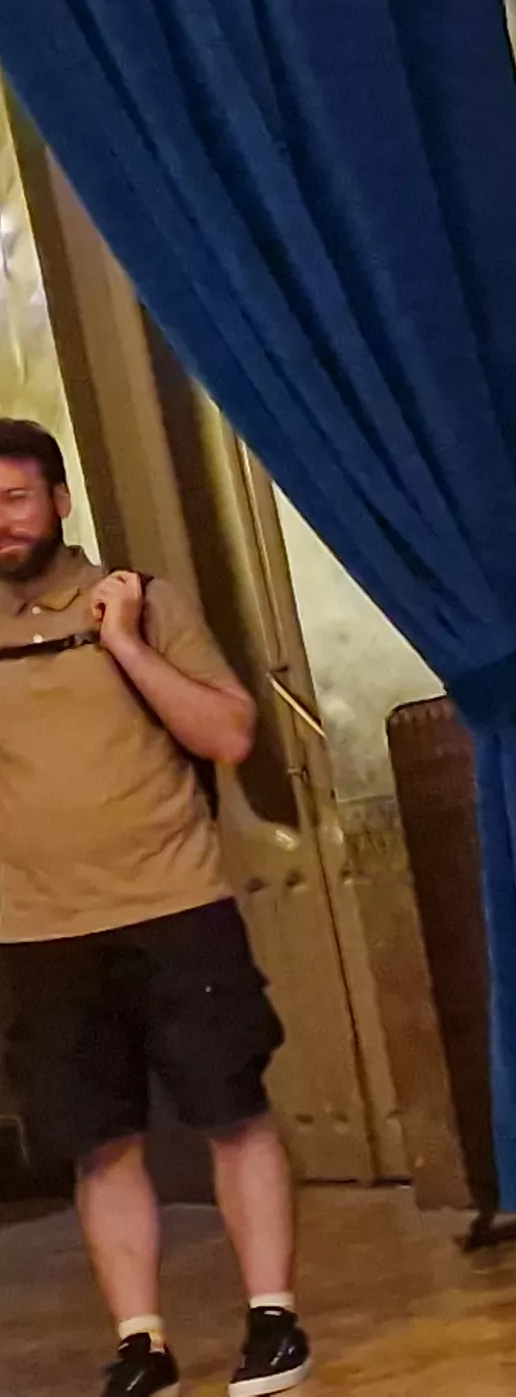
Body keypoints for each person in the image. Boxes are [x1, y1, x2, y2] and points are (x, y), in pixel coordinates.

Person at [0, 419, 304, 1397]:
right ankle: (144, 1342)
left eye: (13, 499)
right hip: (38, 930)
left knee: (233, 1111)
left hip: (176, 906)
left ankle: (273, 1320)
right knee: (100, 1143)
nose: (0, 524)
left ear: (57, 501)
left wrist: (122, 640)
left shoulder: (140, 599)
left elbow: (225, 733)